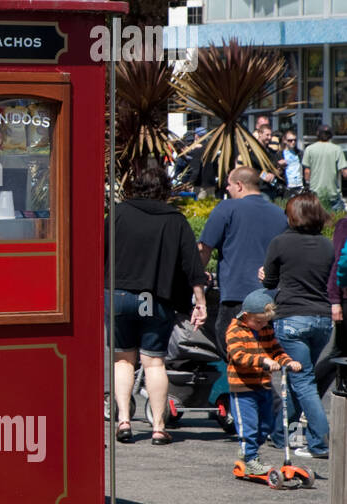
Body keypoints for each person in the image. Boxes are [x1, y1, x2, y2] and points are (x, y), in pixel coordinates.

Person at [109, 162, 208, 445]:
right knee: (153, 362)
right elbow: (192, 266)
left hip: (119, 295)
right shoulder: (175, 220)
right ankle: (158, 427)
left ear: (136, 187)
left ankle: (125, 421)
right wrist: (199, 302)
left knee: (123, 359)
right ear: (165, 190)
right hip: (157, 297)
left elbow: (98, 250)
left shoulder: (119, 213)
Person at [261, 192, 333, 460]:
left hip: (291, 317)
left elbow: (269, 282)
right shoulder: (327, 245)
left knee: (302, 380)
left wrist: (264, 275)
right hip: (322, 319)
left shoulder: (280, 242)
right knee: (297, 377)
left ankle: (319, 440)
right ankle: (281, 435)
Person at [198, 166, 288, 357]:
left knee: (235, 353)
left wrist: (197, 276)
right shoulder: (280, 214)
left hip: (236, 298)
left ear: (239, 185)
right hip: (269, 300)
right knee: (263, 355)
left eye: (228, 185)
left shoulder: (226, 207)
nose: (227, 190)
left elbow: (203, 249)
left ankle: (248, 388)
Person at [225, 290, 300, 477]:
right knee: (248, 425)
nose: (263, 325)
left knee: (266, 424)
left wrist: (287, 361)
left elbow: (275, 350)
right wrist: (263, 361)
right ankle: (250, 458)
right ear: (245, 315)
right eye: (258, 322)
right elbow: (239, 356)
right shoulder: (235, 330)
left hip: (263, 384)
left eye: (265, 321)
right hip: (242, 387)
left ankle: (248, 452)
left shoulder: (265, 329)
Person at [301, 124, 346, 211]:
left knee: (316, 222)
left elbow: (307, 172)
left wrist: (307, 185)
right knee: (336, 222)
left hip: (315, 194)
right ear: (331, 135)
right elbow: (344, 172)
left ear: (318, 134)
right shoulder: (337, 149)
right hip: (333, 194)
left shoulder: (309, 149)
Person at [253, 118, 284, 200]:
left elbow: (277, 168)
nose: (269, 138)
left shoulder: (271, 152)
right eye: (267, 135)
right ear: (260, 133)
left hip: (272, 188)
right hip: (259, 189)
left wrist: (277, 171)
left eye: (270, 135)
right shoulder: (253, 151)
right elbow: (252, 168)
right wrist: (264, 176)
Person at [278, 129, 303, 197]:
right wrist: (279, 166)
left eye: (295, 140)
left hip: (299, 185)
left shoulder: (299, 153)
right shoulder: (280, 154)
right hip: (288, 187)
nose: (293, 142)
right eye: (290, 140)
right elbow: (277, 172)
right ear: (285, 140)